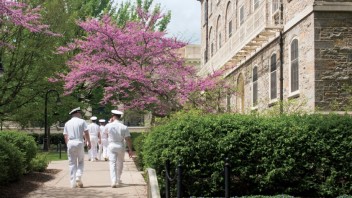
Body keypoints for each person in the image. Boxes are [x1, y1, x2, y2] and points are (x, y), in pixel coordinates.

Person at [63, 107, 91, 188]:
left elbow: (65, 136)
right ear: (77, 113)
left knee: (72, 163)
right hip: (79, 142)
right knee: (81, 161)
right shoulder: (82, 121)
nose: (81, 114)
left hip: (70, 142)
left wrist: (67, 145)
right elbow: (86, 132)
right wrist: (88, 142)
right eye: (80, 113)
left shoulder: (67, 123)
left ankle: (72, 183)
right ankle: (78, 176)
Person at [105, 110, 133, 188]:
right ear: (120, 117)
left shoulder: (108, 125)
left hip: (112, 145)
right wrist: (130, 150)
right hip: (120, 145)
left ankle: (113, 181)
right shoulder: (124, 126)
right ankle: (118, 179)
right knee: (120, 163)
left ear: (113, 116)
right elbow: (128, 139)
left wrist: (110, 123)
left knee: (112, 163)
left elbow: (105, 133)